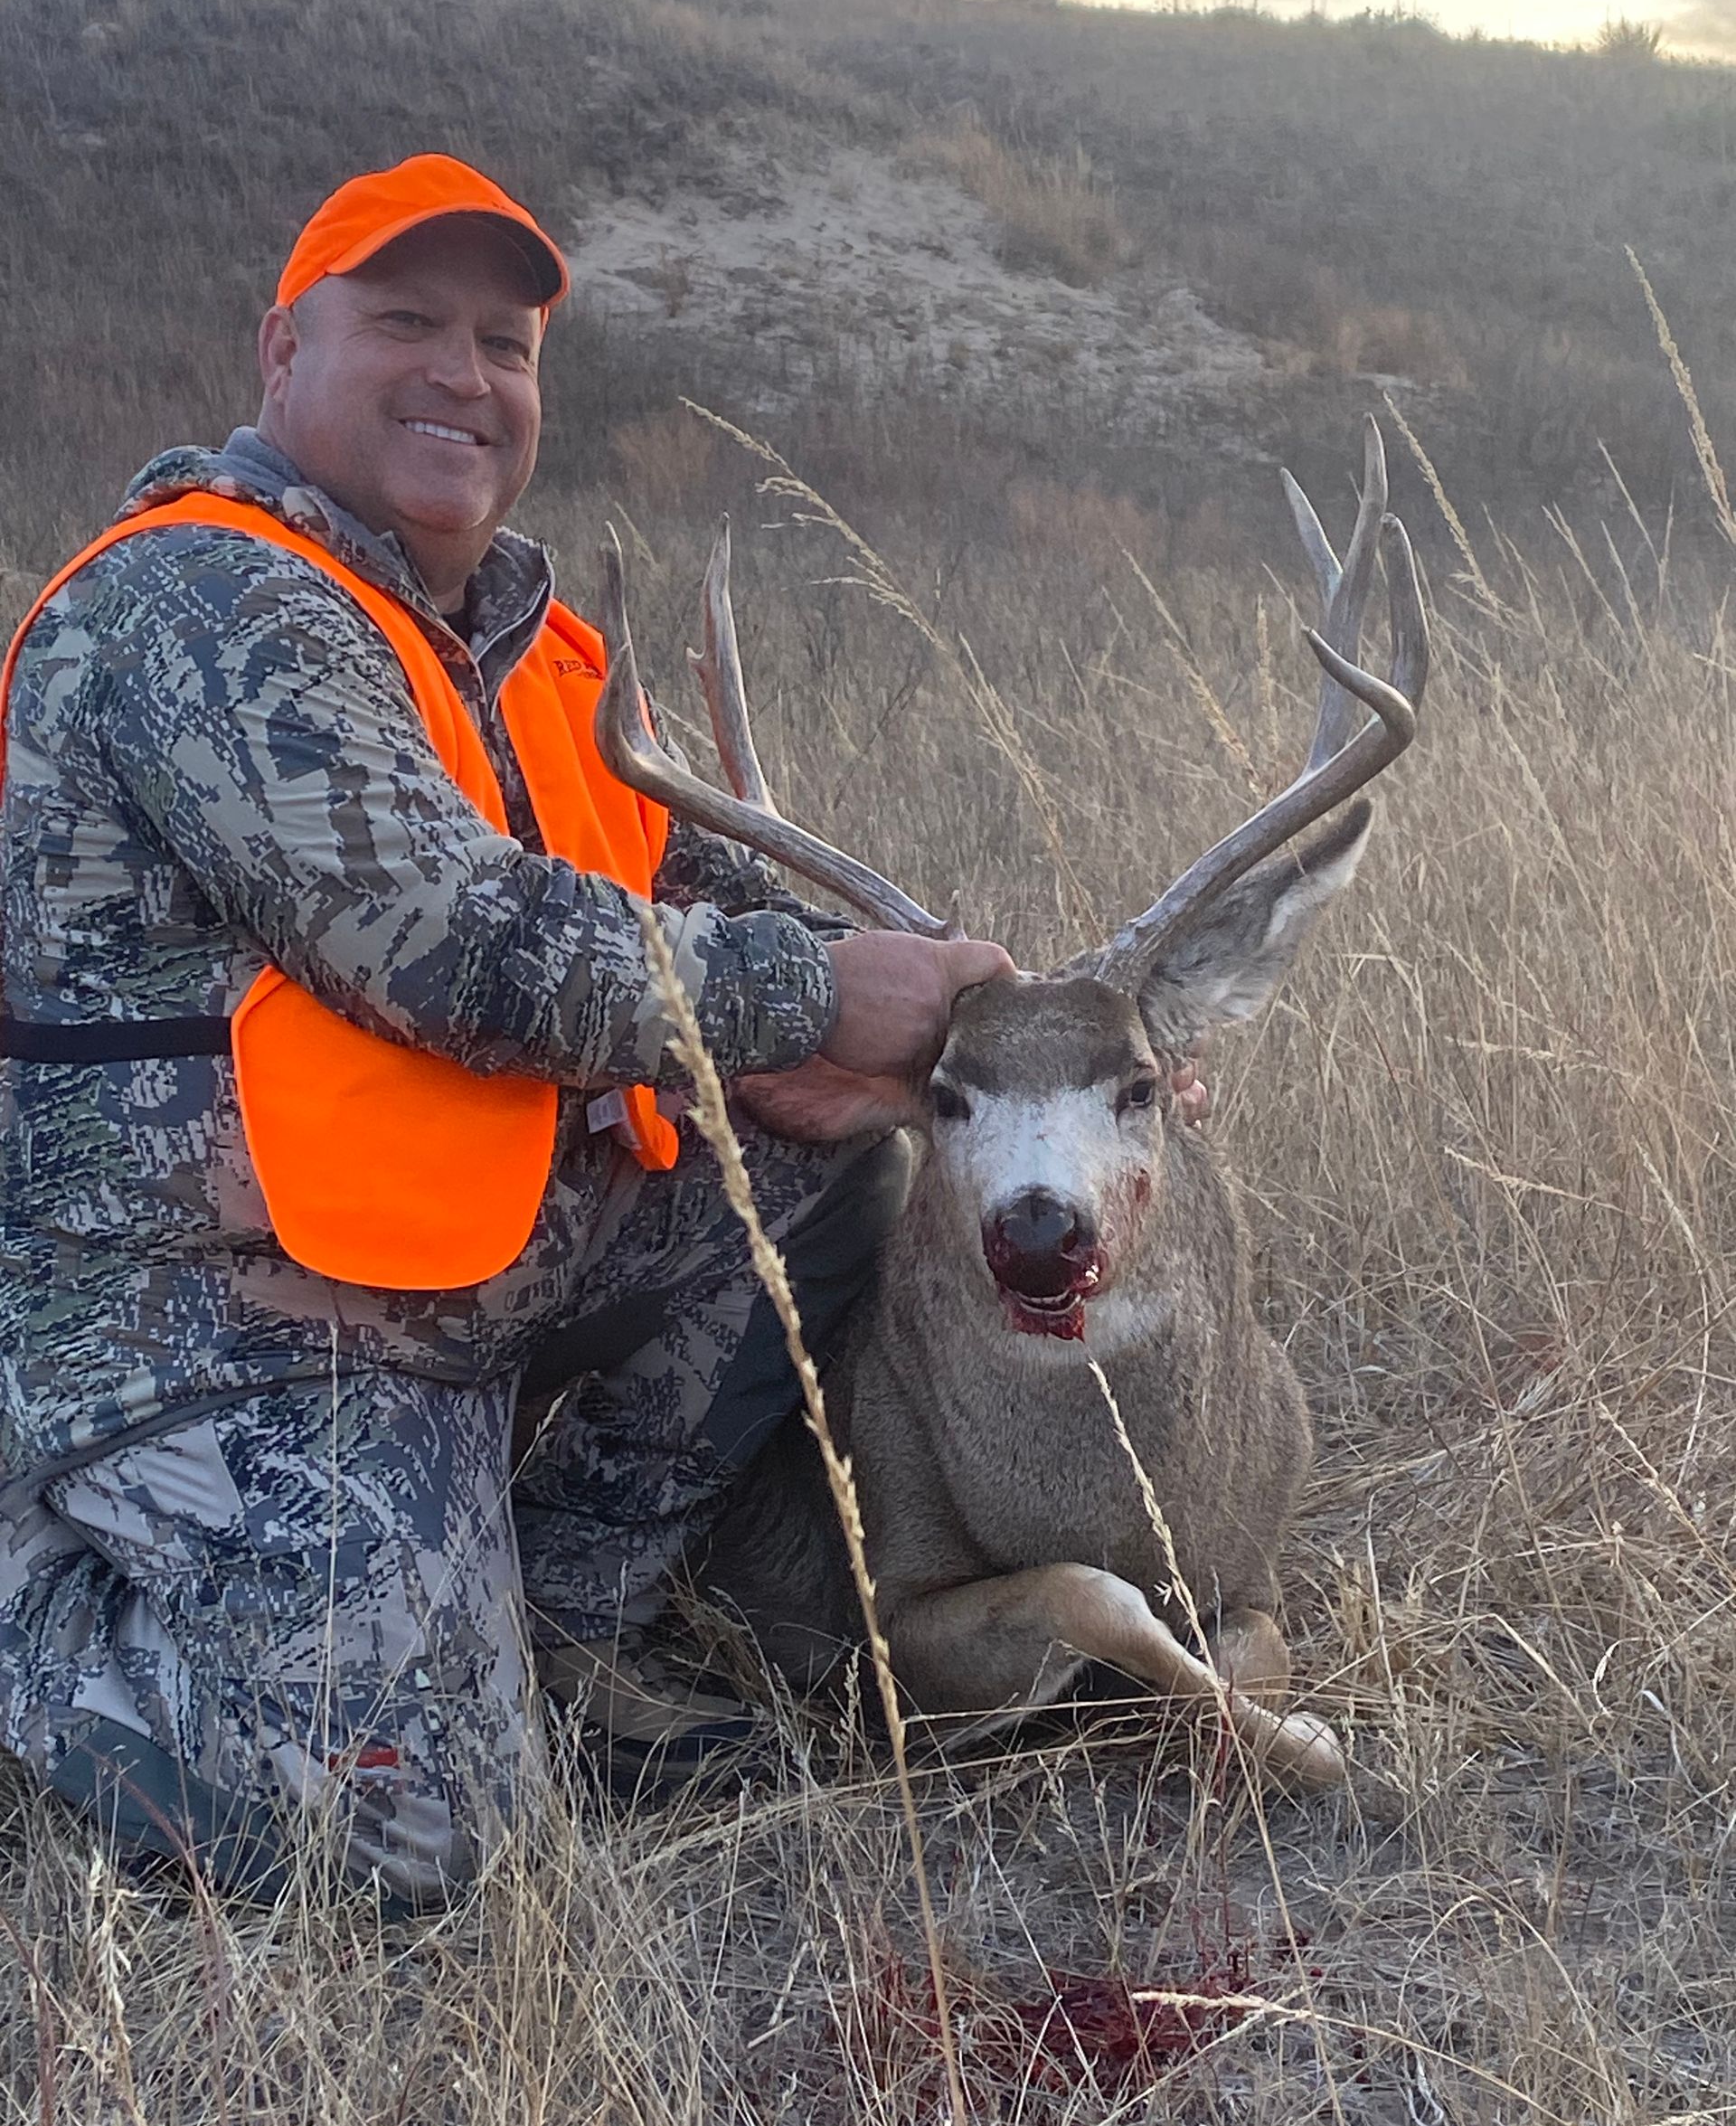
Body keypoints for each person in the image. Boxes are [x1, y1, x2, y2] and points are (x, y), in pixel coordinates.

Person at [0, 155, 1015, 1908]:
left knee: (810, 1166)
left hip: (445, 1263)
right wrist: (817, 997)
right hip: (206, 1318)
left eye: (504, 341)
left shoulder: (532, 664)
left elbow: (725, 908)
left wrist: (1019, 1040)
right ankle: (40, 1616)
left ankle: (549, 1633)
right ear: (280, 354)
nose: (463, 374)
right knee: (415, 1836)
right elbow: (453, 944)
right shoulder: (203, 609)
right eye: (402, 324)